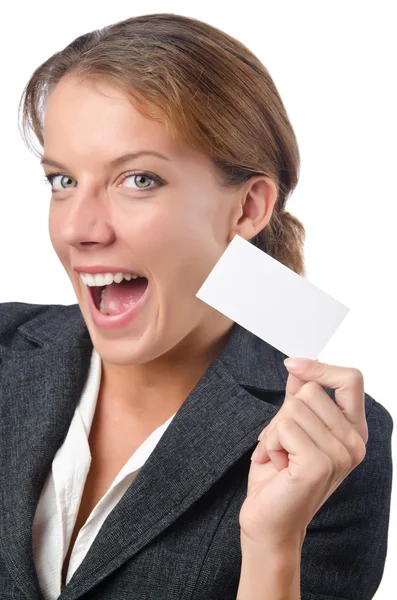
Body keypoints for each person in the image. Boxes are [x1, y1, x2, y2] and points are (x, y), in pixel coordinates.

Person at [0, 12, 392, 600]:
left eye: (138, 180)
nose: (79, 228)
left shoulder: (331, 444)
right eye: (63, 181)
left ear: (248, 208)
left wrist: (272, 550)